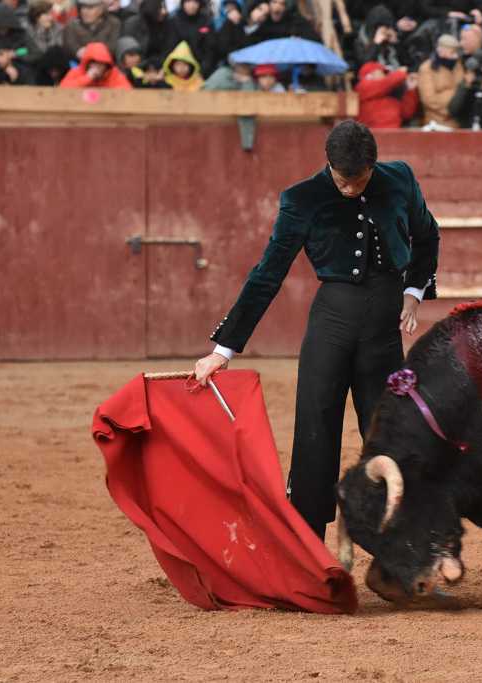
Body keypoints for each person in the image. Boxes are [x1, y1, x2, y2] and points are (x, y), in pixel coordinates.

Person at [194, 120, 440, 542]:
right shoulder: (303, 198)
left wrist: (414, 291)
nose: (351, 189)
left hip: (383, 333)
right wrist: (224, 349)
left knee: (390, 432)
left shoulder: (399, 179)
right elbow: (268, 274)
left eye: (359, 180)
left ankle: (402, 542)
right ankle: (308, 544)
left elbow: (427, 235)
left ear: (373, 165)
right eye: (343, 181)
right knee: (315, 430)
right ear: (328, 164)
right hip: (331, 328)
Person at [416, 33, 464, 129]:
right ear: (440, 50)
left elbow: (463, 90)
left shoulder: (458, 66)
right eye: (452, 52)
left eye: (456, 52)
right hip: (436, 122)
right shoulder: (427, 69)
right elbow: (429, 100)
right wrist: (452, 107)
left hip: (459, 121)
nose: (455, 56)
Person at [354, 61, 419, 128]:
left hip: (394, 132)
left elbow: (406, 113)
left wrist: (410, 90)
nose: (385, 75)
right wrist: (400, 73)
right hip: (372, 131)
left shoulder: (389, 92)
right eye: (382, 72)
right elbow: (386, 83)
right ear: (370, 75)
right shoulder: (362, 87)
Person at [59, 40, 132, 87]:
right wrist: (87, 78)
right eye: (94, 62)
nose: (98, 66)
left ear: (106, 65)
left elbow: (127, 91)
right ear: (87, 63)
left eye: (101, 63)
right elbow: (62, 89)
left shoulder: (114, 74)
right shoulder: (77, 72)